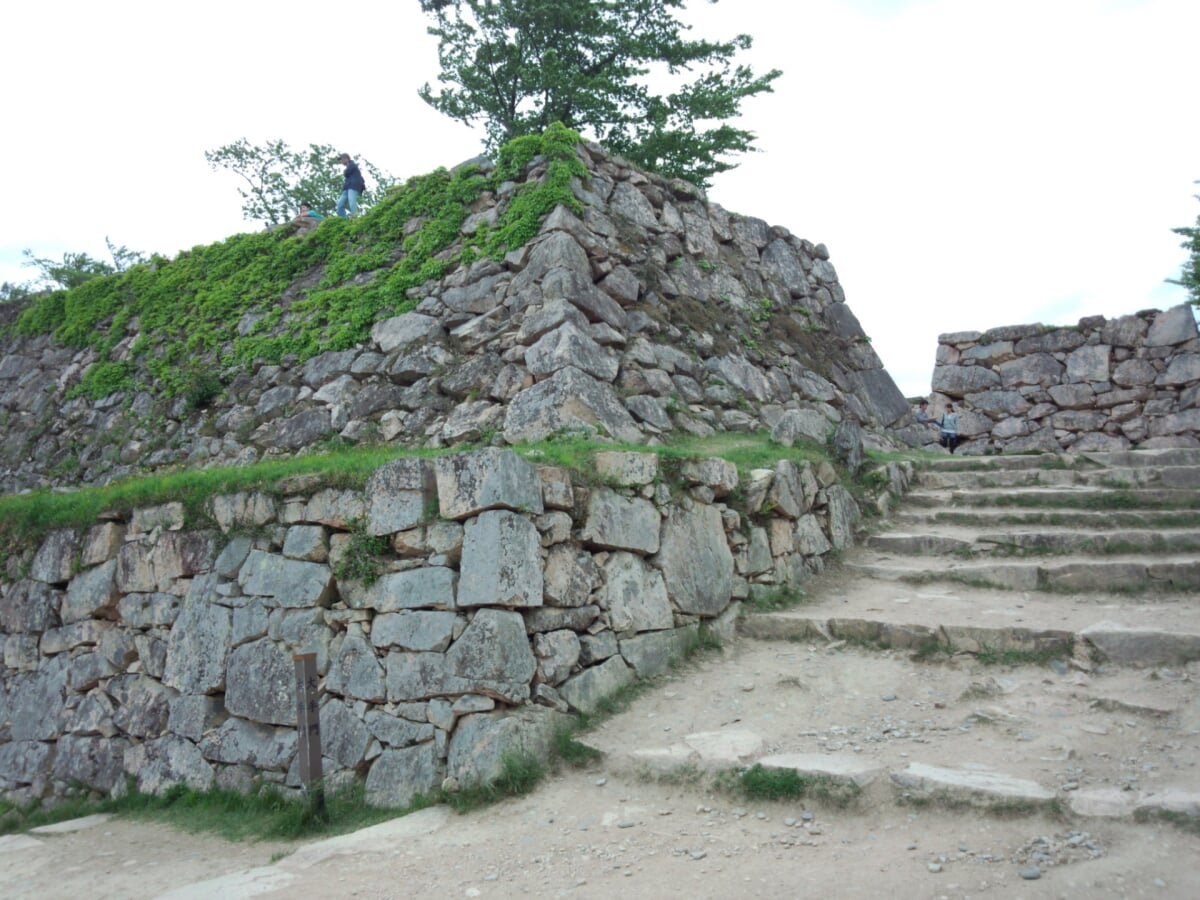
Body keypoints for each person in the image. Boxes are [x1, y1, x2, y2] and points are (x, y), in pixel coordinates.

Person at [335, 152, 366, 218]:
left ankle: (355, 217)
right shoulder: (349, 166)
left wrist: (345, 172)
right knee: (340, 204)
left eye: (341, 159)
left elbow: (346, 173)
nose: (341, 161)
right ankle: (343, 219)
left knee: (352, 201)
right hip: (347, 187)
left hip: (353, 186)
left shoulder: (352, 164)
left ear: (346, 158)